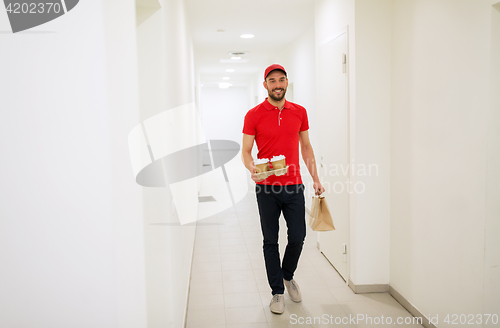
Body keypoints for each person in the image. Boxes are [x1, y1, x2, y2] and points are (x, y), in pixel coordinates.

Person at [241, 64, 325, 314]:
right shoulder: (253, 114)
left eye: (281, 80)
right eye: (272, 81)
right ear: (265, 85)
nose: (277, 85)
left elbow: (306, 147)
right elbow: (245, 151)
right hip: (266, 188)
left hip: (294, 186)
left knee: (298, 237)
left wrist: (316, 178)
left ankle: (287, 276)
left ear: (287, 83)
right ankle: (277, 292)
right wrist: (251, 167)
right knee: (270, 240)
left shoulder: (299, 112)